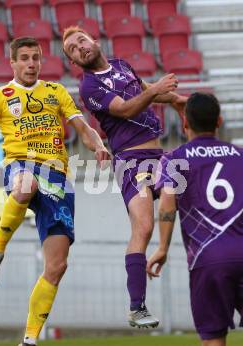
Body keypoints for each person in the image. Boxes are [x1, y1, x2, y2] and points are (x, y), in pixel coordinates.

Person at [0, 36, 110, 346]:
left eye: (35, 57)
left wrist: (98, 146)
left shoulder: (56, 92)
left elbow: (82, 127)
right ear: (13, 63)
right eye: (24, 58)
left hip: (57, 177)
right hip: (22, 165)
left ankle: (29, 340)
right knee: (24, 186)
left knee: (57, 266)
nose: (31, 63)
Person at [62, 26, 188, 328]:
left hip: (159, 156)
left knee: (193, 205)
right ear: (75, 62)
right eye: (72, 50)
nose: (79, 47)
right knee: (144, 227)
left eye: (81, 40)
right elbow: (127, 108)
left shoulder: (120, 64)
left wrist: (180, 101)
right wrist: (156, 90)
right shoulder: (88, 87)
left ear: (94, 40)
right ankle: (137, 307)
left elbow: (145, 89)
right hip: (131, 161)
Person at [147, 92, 243, 346]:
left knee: (213, 339)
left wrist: (162, 248)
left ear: (185, 124)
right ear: (220, 121)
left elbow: (167, 202)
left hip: (208, 259)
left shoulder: (174, 159)